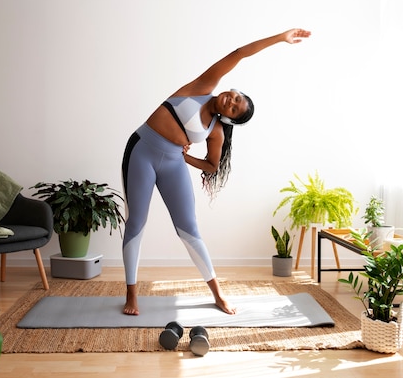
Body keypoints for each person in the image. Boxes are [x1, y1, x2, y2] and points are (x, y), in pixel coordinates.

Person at [121, 28, 311, 315]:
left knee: (189, 229)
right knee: (137, 222)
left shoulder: (216, 131)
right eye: (235, 97)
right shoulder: (202, 87)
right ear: (231, 90)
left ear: (229, 118)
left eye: (235, 108)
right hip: (141, 151)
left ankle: (218, 294)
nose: (231, 102)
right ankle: (131, 296)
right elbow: (240, 54)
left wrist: (187, 160)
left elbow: (212, 165)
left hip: (173, 162)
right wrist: (280, 38)